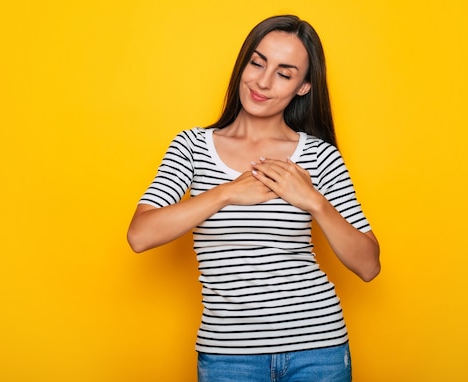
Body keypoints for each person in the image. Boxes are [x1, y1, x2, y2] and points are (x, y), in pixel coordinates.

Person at [127, 14, 380, 382]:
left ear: (304, 86)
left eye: (284, 72)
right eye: (257, 62)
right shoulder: (193, 147)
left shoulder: (320, 156)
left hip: (318, 348)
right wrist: (227, 192)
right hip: (228, 355)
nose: (262, 81)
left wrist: (314, 202)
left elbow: (369, 266)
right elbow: (140, 235)